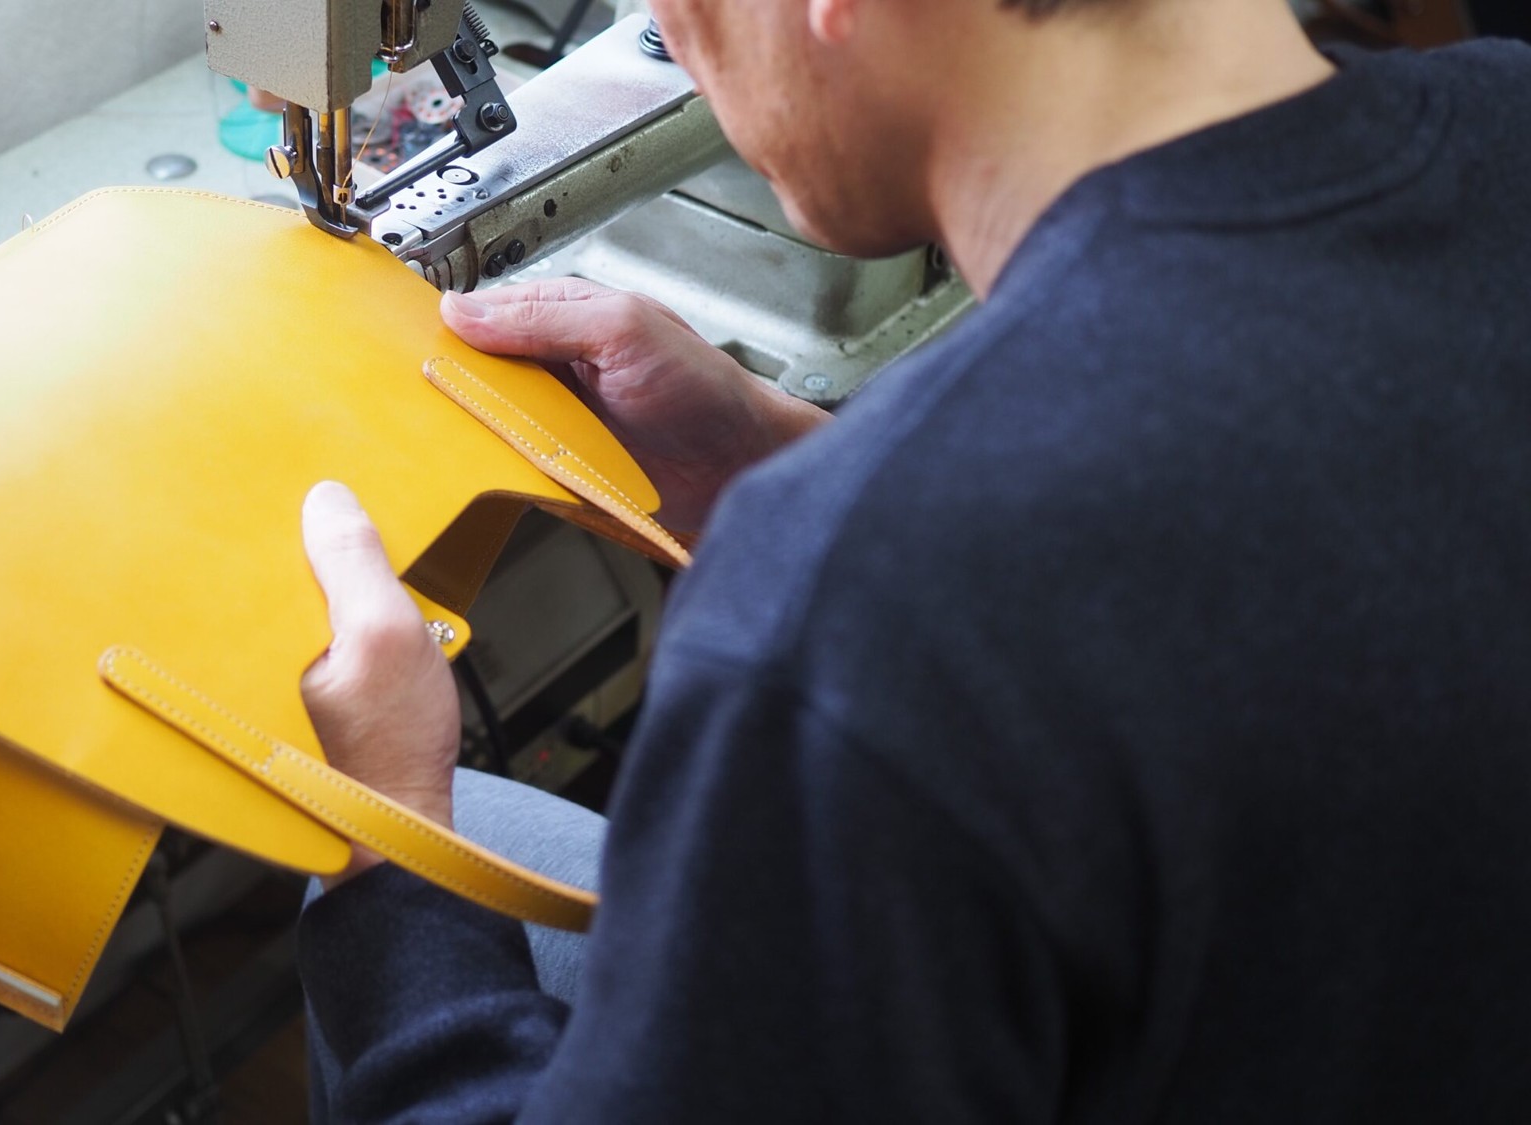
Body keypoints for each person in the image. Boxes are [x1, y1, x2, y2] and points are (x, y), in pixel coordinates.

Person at [291, 0, 1531, 1118]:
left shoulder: (866, 611)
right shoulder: (1504, 118)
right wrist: (784, 458)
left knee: (444, 847)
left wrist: (390, 830)